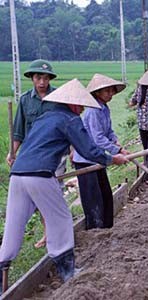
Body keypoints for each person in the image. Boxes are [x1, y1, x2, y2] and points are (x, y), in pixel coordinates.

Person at [0, 79, 128, 290]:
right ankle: (68, 271)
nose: (82, 110)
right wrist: (112, 159)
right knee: (60, 219)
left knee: (15, 223)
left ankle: (3, 266)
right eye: (81, 106)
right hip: (40, 175)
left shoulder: (44, 118)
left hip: (18, 175)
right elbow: (88, 150)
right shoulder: (70, 119)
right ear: (74, 104)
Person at [6, 59, 61, 249]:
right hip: (30, 155)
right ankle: (46, 234)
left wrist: (71, 149)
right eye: (38, 77)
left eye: (46, 78)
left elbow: (68, 125)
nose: (42, 82)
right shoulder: (25, 100)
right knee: (35, 197)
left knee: (51, 196)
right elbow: (19, 130)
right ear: (32, 78)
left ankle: (53, 236)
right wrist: (12, 152)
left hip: (53, 155)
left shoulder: (58, 97)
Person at [72, 74, 128, 230]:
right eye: (107, 91)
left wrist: (116, 142)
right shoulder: (93, 110)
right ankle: (95, 230)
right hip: (85, 159)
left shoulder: (104, 108)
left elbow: (108, 131)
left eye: (112, 91)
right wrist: (117, 150)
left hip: (98, 158)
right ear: (97, 93)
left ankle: (107, 227)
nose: (110, 94)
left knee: (105, 195)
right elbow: (98, 139)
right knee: (93, 199)